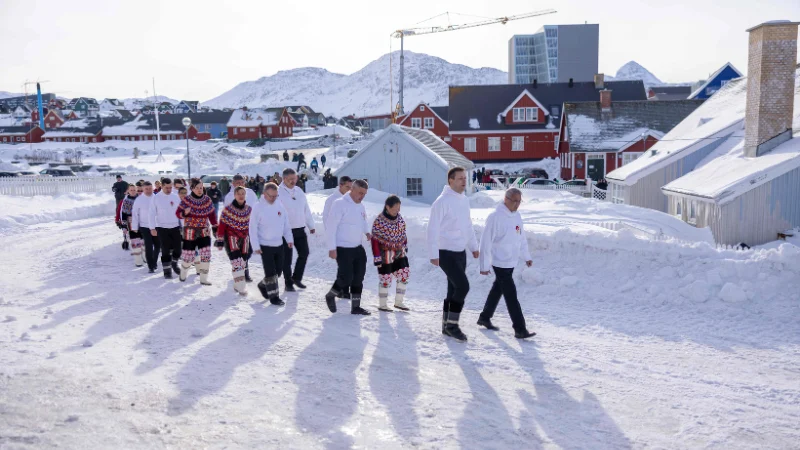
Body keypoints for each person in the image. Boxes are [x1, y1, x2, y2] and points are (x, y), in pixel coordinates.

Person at [427, 167, 479, 341]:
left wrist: (473, 246)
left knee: (453, 289)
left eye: (465, 178)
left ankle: (445, 325)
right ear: (450, 181)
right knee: (463, 287)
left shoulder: (464, 200)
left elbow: (468, 225)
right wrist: (433, 253)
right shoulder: (442, 202)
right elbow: (432, 229)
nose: (464, 181)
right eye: (460, 178)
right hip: (445, 252)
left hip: (460, 252)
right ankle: (452, 325)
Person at [477, 188, 536, 339]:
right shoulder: (495, 217)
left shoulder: (517, 217)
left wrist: (526, 256)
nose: (517, 204)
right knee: (511, 295)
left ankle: (484, 317)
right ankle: (520, 329)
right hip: (499, 262)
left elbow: (521, 238)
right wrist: (484, 265)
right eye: (514, 201)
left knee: (498, 289)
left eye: (519, 201)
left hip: (511, 261)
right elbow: (485, 242)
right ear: (506, 199)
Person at [324, 179, 372, 315]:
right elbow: (331, 227)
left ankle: (356, 307)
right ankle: (331, 295)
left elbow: (363, 221)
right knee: (346, 277)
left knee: (358, 277)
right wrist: (331, 248)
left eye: (364, 194)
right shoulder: (339, 204)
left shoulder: (361, 206)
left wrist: (367, 232)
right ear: (352, 190)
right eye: (360, 193)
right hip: (343, 248)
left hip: (357, 247)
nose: (362, 196)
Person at [249, 183, 294, 305]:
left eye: (276, 196)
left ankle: (263, 285)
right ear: (264, 194)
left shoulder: (280, 205)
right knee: (271, 273)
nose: (274, 198)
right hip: (265, 245)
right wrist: (256, 246)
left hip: (279, 244)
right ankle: (274, 297)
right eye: (271, 196)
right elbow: (252, 228)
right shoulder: (258, 208)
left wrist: (289, 239)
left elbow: (285, 224)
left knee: (278, 272)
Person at [278, 168, 315, 292]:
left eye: (295, 178)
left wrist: (311, 225)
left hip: (300, 228)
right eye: (290, 179)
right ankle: (288, 283)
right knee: (287, 258)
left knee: (304, 253)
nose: (293, 181)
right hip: (285, 231)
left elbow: (306, 209)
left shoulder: (299, 191)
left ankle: (296, 278)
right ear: (284, 179)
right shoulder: (278, 192)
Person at [371, 195, 410, 311]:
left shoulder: (400, 219)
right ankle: (383, 304)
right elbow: (375, 240)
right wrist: (377, 256)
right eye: (395, 208)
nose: (398, 210)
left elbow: (403, 233)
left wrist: (404, 245)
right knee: (385, 278)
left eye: (399, 208)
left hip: (399, 252)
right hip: (385, 255)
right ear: (387, 207)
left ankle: (399, 302)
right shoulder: (379, 221)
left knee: (404, 274)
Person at [177, 178, 218, 285]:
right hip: (190, 231)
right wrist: (184, 213)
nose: (200, 190)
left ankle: (203, 279)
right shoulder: (187, 200)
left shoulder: (207, 200)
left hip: (204, 230)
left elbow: (212, 215)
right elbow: (178, 213)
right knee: (188, 255)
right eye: (197, 188)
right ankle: (183, 272)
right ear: (192, 188)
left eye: (201, 188)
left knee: (206, 254)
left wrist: (215, 227)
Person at [216, 186, 254, 296]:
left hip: (245, 239)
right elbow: (222, 226)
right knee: (237, 262)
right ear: (235, 195)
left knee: (242, 262)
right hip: (231, 239)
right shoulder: (228, 210)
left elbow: (253, 225)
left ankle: (237, 285)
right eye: (239, 194)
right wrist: (220, 240)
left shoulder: (249, 209)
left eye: (243, 193)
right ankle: (242, 287)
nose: (241, 196)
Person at [149, 178, 183, 279]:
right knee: (165, 249)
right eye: (166, 188)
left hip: (175, 226)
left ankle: (174, 263)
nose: (169, 189)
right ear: (162, 186)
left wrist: (184, 226)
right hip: (162, 227)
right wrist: (152, 228)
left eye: (170, 187)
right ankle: (167, 271)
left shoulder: (175, 197)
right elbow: (151, 213)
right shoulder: (156, 198)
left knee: (178, 249)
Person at [131, 181, 160, 273]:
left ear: (152, 188)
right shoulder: (139, 200)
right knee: (148, 246)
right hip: (144, 226)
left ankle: (154, 262)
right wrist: (134, 226)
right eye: (146, 189)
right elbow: (135, 214)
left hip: (156, 226)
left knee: (158, 245)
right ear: (143, 189)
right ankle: (150, 266)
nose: (148, 190)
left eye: (150, 188)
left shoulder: (157, 198)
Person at [119, 185, 141, 265]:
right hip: (131, 222)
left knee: (142, 239)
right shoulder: (126, 201)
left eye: (134, 190)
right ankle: (138, 260)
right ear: (128, 191)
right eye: (131, 190)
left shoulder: (140, 199)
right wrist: (124, 226)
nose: (133, 191)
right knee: (135, 240)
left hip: (141, 222)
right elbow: (124, 213)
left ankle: (145, 256)